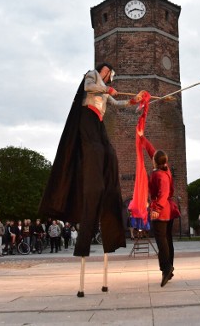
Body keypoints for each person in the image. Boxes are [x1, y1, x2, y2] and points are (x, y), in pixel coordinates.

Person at [39, 63, 144, 258]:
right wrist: (106, 88)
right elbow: (88, 88)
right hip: (87, 116)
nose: (105, 74)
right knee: (95, 149)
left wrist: (132, 101)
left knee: (110, 153)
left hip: (99, 121)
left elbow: (115, 103)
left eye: (108, 74)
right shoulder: (92, 76)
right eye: (105, 71)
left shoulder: (104, 88)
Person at [139, 134, 180, 287]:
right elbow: (153, 152)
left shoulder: (159, 175)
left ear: (155, 161)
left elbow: (163, 194)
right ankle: (169, 267)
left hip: (161, 211)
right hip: (168, 209)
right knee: (167, 239)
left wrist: (155, 209)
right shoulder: (165, 168)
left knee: (161, 241)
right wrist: (143, 140)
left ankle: (167, 268)